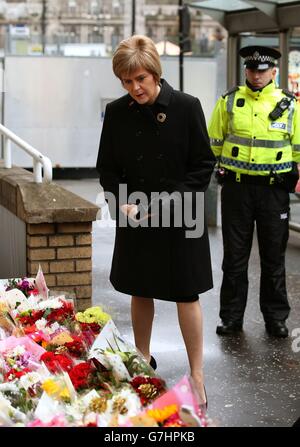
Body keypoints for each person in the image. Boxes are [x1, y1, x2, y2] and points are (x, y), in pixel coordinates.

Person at [96, 35, 216, 407]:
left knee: (186, 293)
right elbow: (108, 169)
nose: (134, 88)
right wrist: (123, 203)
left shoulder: (187, 106)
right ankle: (142, 359)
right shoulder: (117, 112)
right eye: (127, 82)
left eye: (141, 79)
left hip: (181, 215)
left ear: (155, 74)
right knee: (140, 287)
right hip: (137, 214)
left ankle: (196, 374)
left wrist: (171, 202)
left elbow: (203, 164)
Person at [208, 45, 300, 338]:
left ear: (273, 72)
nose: (256, 75)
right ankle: (231, 318)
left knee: (274, 257)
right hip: (237, 190)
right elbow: (213, 142)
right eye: (251, 70)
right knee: (235, 258)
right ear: (245, 70)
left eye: (262, 71)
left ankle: (276, 319)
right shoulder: (229, 101)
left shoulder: (290, 104)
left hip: (274, 193)